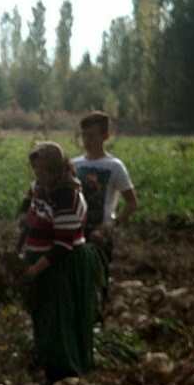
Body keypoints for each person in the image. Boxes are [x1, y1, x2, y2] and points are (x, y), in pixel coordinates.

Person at [19, 141, 100, 385]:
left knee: (59, 318)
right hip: (41, 261)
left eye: (43, 171)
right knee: (42, 315)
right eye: (36, 171)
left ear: (56, 170)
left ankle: (65, 373)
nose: (38, 176)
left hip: (61, 266)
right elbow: (29, 219)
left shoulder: (67, 196)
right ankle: (46, 362)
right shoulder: (40, 188)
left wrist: (35, 269)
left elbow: (63, 245)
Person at [72, 112, 138, 311]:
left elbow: (132, 203)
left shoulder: (114, 166)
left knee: (98, 283)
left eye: (92, 135)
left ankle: (98, 323)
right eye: (84, 135)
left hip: (100, 234)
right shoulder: (75, 165)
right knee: (76, 282)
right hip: (75, 233)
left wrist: (110, 225)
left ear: (105, 136)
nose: (87, 140)